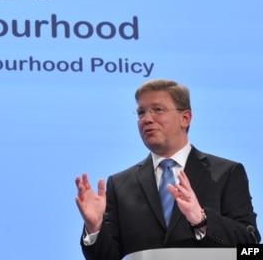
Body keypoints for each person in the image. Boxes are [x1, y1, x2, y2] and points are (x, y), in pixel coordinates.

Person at [75, 79, 260, 260]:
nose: (147, 119)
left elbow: (250, 248)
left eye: (157, 110)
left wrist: (202, 220)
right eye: (141, 112)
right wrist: (95, 227)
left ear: (185, 118)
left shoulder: (226, 173)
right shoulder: (120, 184)